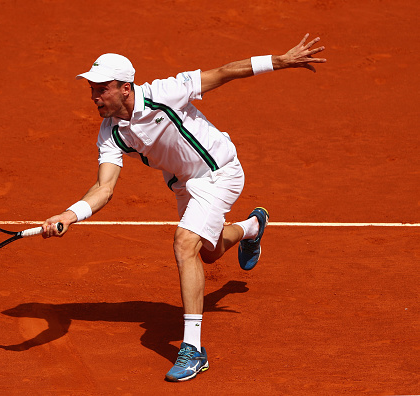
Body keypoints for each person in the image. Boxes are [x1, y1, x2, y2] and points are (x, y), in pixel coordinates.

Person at [42, 34, 326, 382]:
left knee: (184, 242)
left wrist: (278, 61)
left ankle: (193, 350)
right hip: (184, 185)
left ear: (126, 88)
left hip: (220, 171)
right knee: (208, 252)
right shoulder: (110, 133)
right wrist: (71, 214)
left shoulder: (166, 92)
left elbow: (223, 72)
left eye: (102, 87)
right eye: (92, 88)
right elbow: (104, 188)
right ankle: (252, 226)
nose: (94, 95)